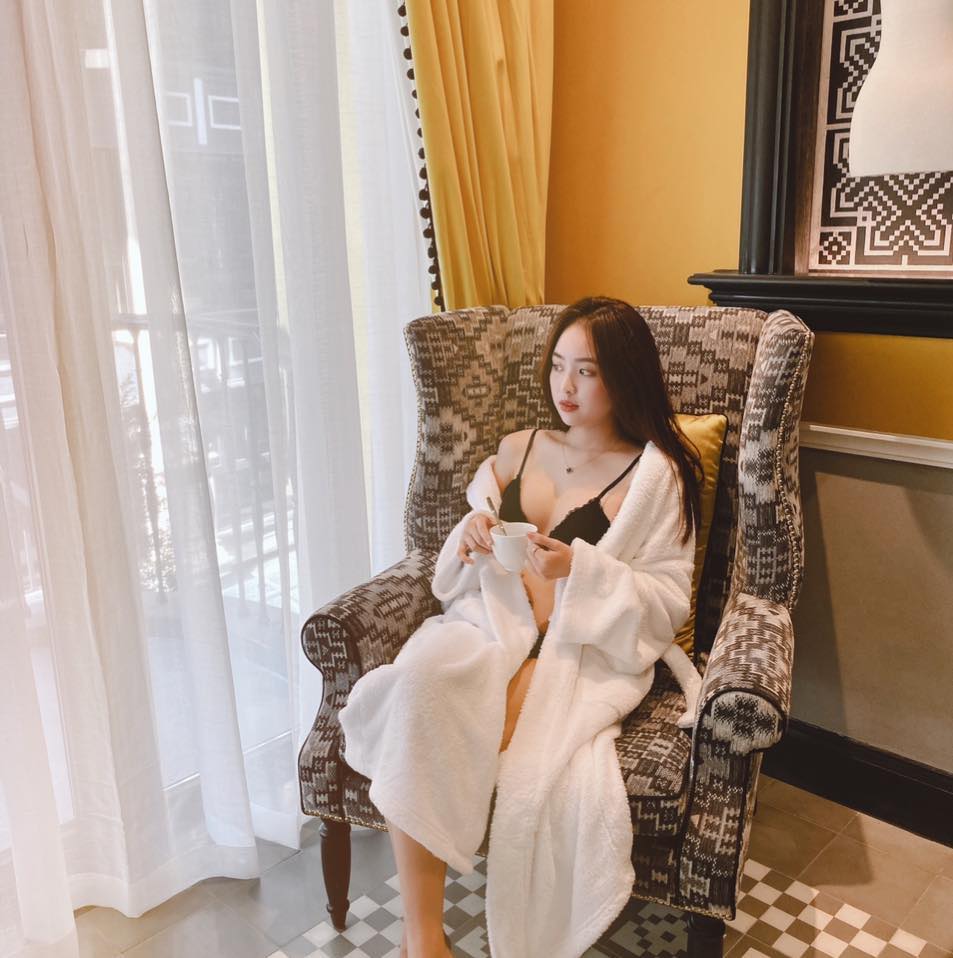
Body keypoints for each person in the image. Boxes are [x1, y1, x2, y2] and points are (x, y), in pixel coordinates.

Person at [346, 296, 703, 958]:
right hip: (487, 626)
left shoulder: (656, 477)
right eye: (559, 366)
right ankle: (423, 938)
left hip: (575, 651)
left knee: (509, 745)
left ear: (624, 376)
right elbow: (465, 550)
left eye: (587, 372)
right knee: (416, 688)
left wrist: (580, 571)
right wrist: (472, 533)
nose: (566, 386)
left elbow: (665, 602)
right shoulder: (519, 447)